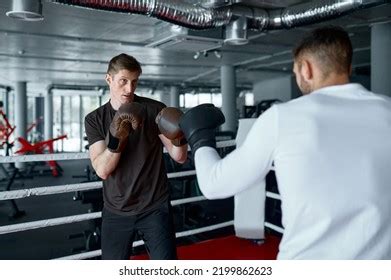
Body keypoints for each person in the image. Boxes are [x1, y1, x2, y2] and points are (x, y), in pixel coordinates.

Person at [178, 26, 391, 259]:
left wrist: (199, 137)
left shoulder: (284, 117)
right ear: (348, 67)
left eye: (296, 71)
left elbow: (213, 184)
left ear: (305, 69)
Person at [84, 53, 188, 260]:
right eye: (123, 81)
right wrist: (117, 137)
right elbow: (103, 170)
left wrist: (181, 135)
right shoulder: (95, 119)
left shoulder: (154, 110)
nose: (129, 89)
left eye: (134, 82)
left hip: (155, 207)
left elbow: (180, 157)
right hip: (116, 210)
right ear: (109, 79)